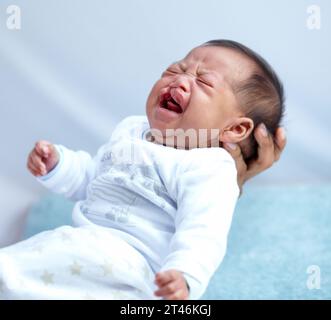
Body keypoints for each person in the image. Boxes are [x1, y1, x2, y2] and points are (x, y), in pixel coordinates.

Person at [26, 40, 287, 300]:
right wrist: (57, 164)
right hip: (78, 246)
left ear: (235, 129)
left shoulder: (209, 167)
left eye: (204, 82)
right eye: (175, 70)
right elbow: (95, 179)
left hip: (130, 268)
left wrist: (186, 275)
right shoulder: (132, 130)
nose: (180, 81)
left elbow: (204, 231)